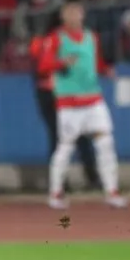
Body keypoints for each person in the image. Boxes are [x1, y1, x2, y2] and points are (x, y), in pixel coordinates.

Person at [37, 1, 128, 210]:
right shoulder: (55, 39)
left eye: (78, 13)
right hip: (69, 102)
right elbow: (43, 66)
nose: (75, 17)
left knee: (106, 144)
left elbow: (96, 62)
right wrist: (61, 63)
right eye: (70, 14)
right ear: (63, 17)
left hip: (93, 99)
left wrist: (106, 70)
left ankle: (112, 191)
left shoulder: (90, 37)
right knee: (66, 147)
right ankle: (55, 193)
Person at [29, 24, 100, 191]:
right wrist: (61, 62)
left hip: (69, 92)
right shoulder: (42, 42)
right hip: (49, 93)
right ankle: (60, 182)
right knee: (58, 136)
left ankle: (93, 178)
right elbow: (40, 66)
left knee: (81, 134)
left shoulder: (70, 42)